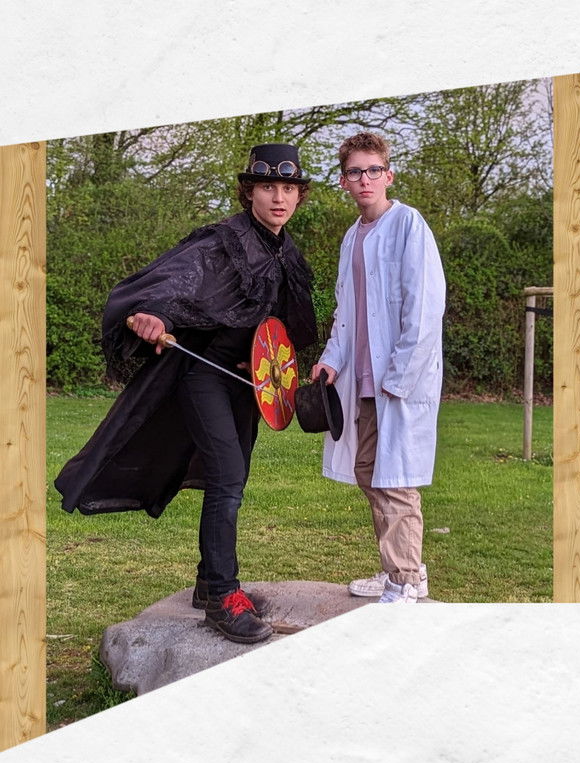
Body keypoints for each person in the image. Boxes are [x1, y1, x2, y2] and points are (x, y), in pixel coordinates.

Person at [56, 143, 317, 642]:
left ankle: (207, 582)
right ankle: (222, 596)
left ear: (298, 196)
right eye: (267, 187)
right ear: (249, 192)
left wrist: (268, 363)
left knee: (233, 478)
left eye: (288, 188)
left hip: (244, 380)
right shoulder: (221, 242)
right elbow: (172, 285)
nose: (279, 198)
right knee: (227, 475)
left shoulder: (286, 252)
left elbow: (281, 326)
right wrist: (154, 316)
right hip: (201, 373)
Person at [311, 132, 445, 603]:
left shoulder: (408, 225)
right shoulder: (352, 237)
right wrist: (331, 360)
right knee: (369, 470)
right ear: (343, 181)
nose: (364, 179)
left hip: (398, 381)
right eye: (355, 172)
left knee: (396, 480)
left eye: (373, 170)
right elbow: (345, 312)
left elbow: (425, 309)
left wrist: (400, 376)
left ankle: (405, 583)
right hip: (363, 380)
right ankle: (402, 569)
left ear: (388, 175)